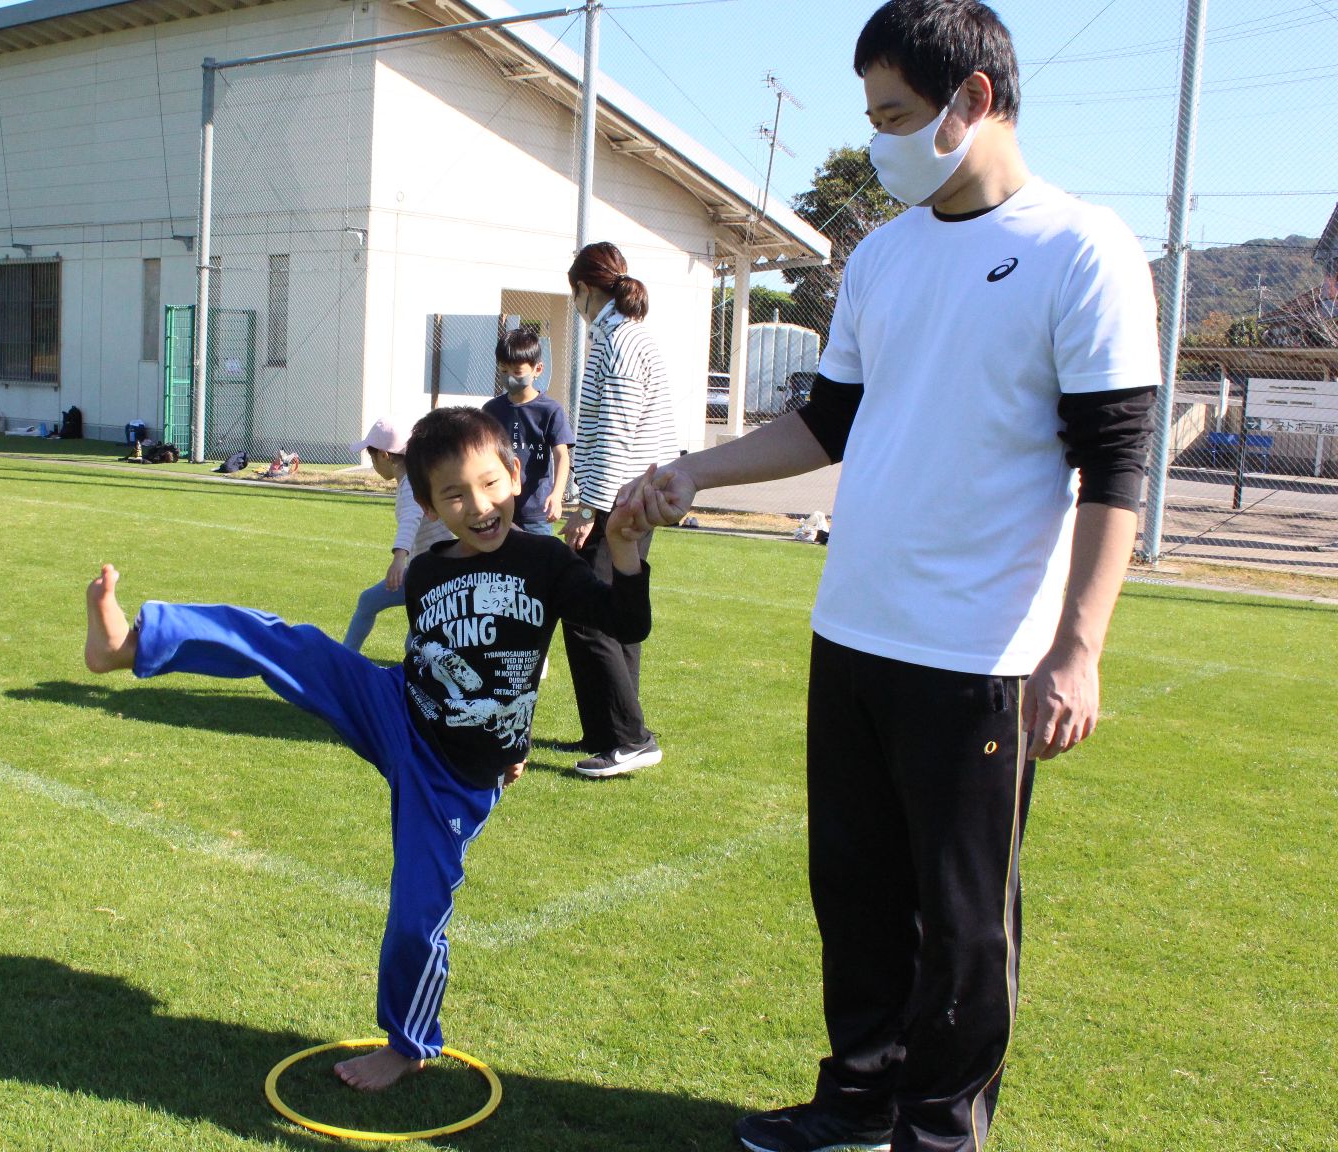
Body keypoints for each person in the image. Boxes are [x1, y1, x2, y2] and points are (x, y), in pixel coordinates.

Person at [619, 3, 1160, 1149]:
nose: (881, 142)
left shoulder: (1084, 248)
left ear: (973, 100)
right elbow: (827, 424)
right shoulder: (886, 254)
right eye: (872, 117)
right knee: (855, 898)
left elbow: (1118, 461)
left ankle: (939, 1130)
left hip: (983, 656)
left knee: (965, 927)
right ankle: (860, 1100)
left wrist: (1081, 647)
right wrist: (691, 473)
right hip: (855, 631)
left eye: (898, 116)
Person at [83, 407, 654, 1092]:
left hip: (450, 781)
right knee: (289, 644)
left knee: (417, 911)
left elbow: (624, 622)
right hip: (396, 709)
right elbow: (445, 659)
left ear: (516, 475)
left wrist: (625, 552)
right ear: (427, 505)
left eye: (490, 484)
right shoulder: (427, 575)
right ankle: (133, 643)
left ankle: (409, 1043)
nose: (478, 506)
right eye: (453, 494)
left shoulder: (547, 561)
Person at [561, 241, 677, 778]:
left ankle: (630, 738)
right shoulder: (629, 337)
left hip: (618, 502)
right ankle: (609, 731)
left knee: (587, 615)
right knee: (618, 618)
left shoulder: (619, 342)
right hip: (631, 498)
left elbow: (613, 430)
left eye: (575, 297)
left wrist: (589, 508)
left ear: (585, 290)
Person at [342, 416, 455, 652]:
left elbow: (410, 519)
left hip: (434, 575)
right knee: (369, 602)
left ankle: (348, 660)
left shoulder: (411, 485)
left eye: (372, 457)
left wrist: (398, 558)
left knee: (413, 643)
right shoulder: (414, 479)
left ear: (384, 455)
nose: (373, 465)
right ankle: (346, 657)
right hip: (423, 571)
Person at [483, 328, 573, 537]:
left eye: (517, 372)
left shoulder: (550, 410)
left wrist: (556, 495)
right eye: (504, 371)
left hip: (536, 513)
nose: (510, 378)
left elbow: (562, 456)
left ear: (537, 369)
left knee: (537, 566)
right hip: (498, 507)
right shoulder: (491, 410)